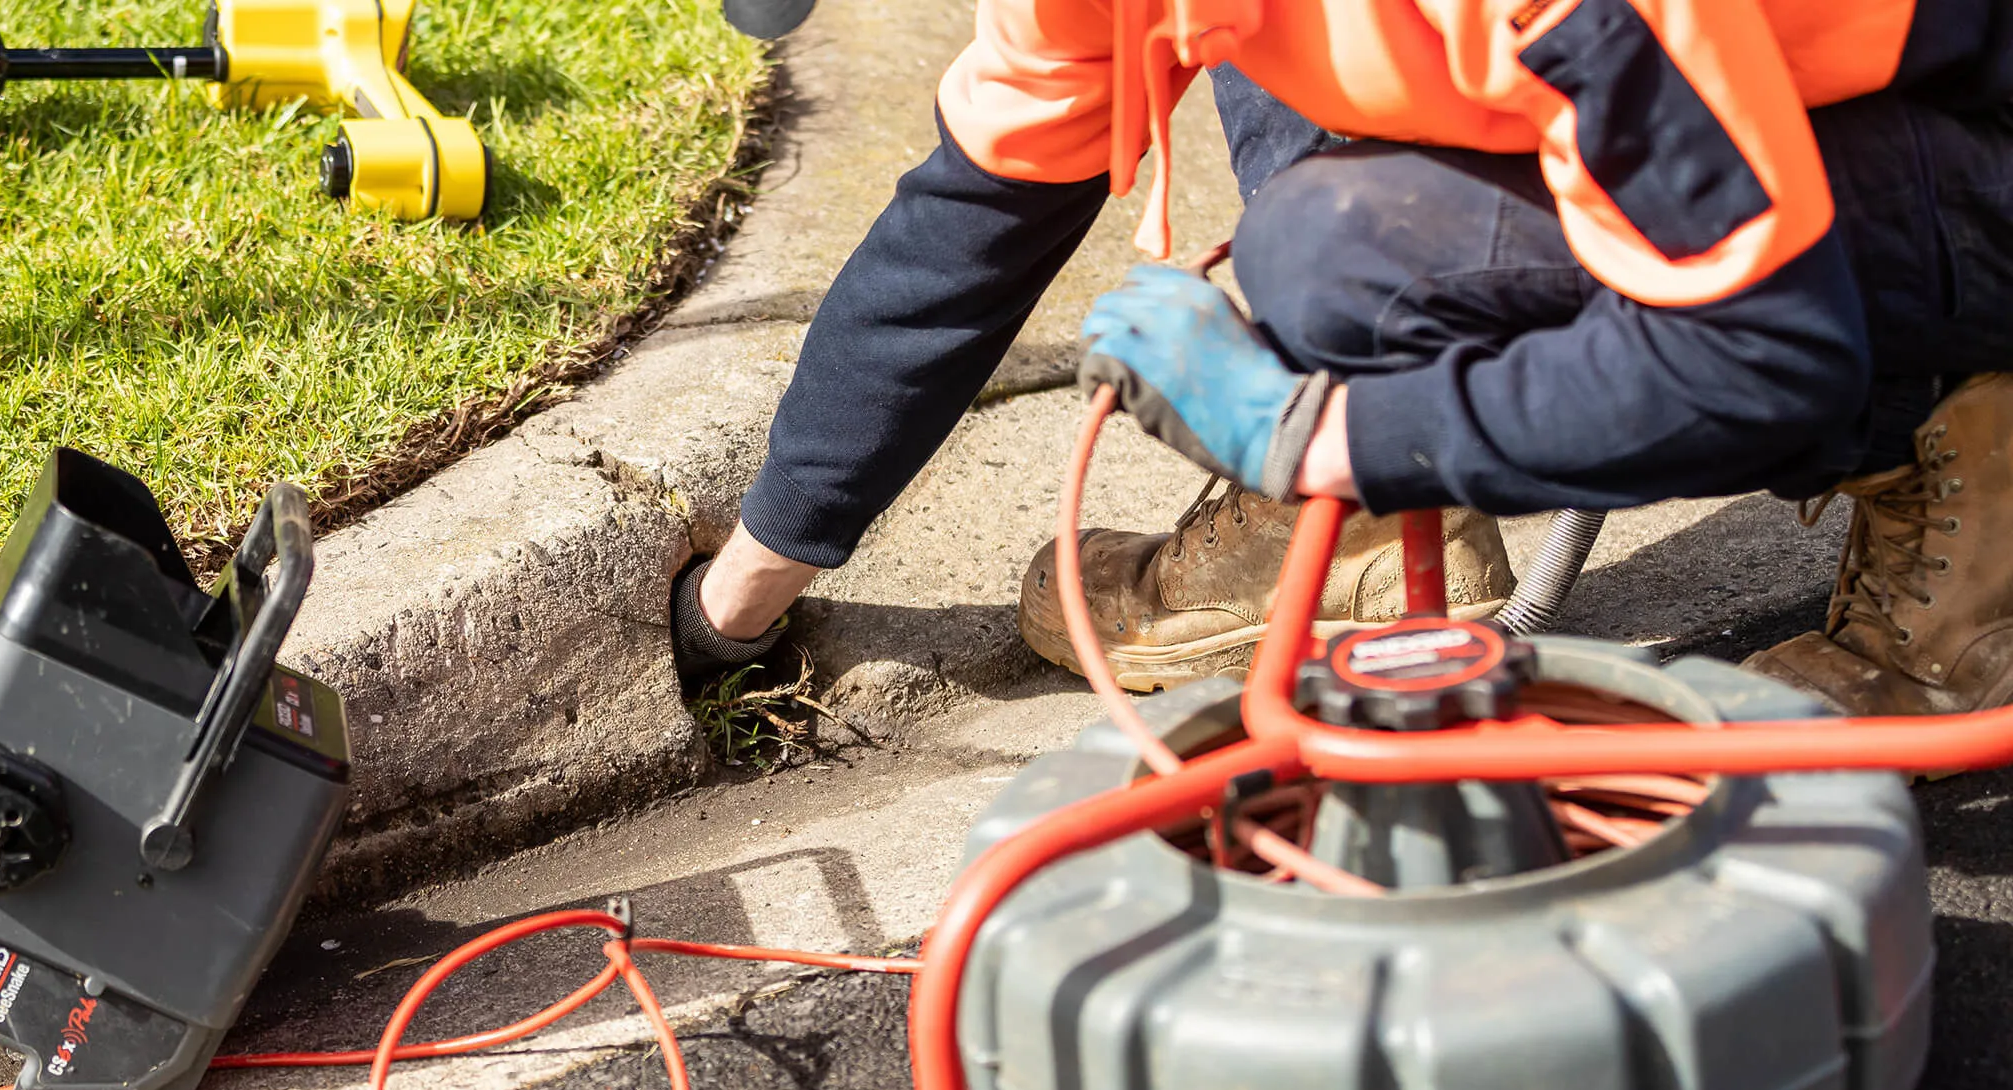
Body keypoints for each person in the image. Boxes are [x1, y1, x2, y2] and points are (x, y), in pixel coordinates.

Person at [670, 0, 2013, 719]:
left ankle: (1959, 441)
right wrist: (748, 585)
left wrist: (1316, 434)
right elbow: (970, 224)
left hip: (1965, 155)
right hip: (1770, 115)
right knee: (1293, 126)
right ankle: (1384, 513)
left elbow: (1767, 350)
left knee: (1334, 261)